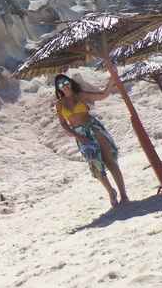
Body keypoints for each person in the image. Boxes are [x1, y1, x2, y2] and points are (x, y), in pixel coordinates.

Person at [55, 74, 129, 207]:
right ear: (58, 88)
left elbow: (103, 95)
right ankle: (111, 192)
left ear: (70, 82)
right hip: (81, 135)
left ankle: (123, 195)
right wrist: (77, 136)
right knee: (96, 167)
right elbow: (63, 123)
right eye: (60, 85)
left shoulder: (81, 95)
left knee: (109, 161)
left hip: (93, 128)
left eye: (65, 82)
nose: (64, 86)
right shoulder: (59, 104)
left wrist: (111, 81)